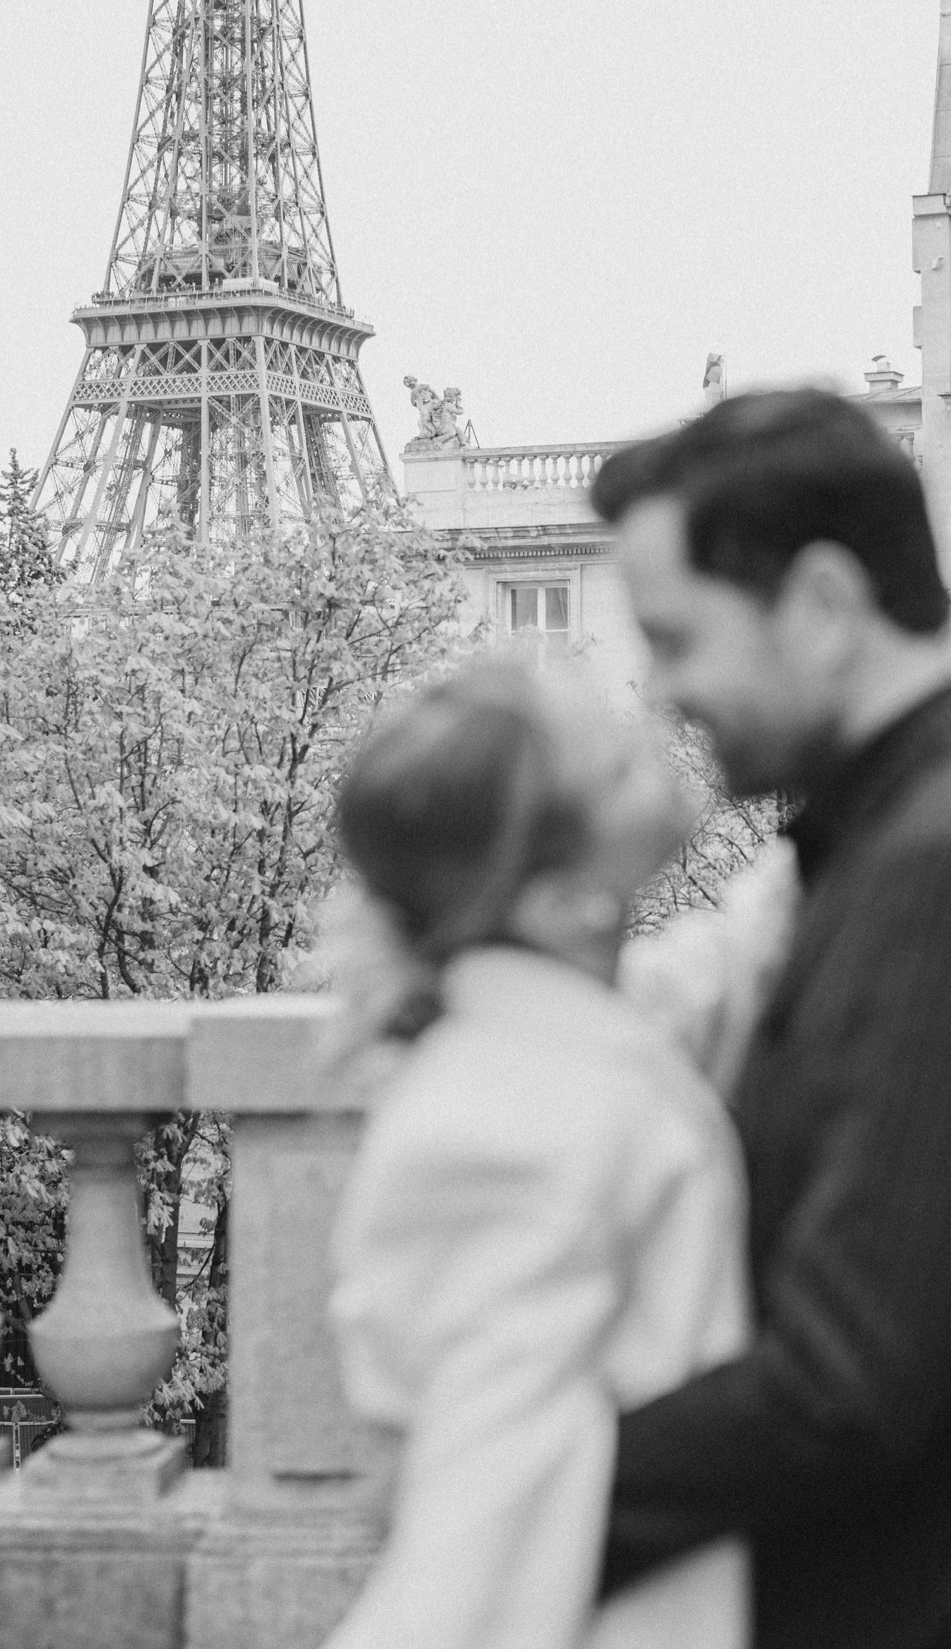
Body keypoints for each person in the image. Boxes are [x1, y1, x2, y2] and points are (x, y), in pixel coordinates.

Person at [590, 388, 951, 1649]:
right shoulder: (929, 832)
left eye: (677, 635)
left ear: (823, 604)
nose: (663, 688)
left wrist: (521, 1495)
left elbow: (845, 1382)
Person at [323, 660, 753, 1649]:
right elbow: (479, 1543)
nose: (653, 736)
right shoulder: (498, 1130)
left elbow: (679, 992)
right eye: (613, 766)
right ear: (564, 900)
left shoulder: (547, 1041)